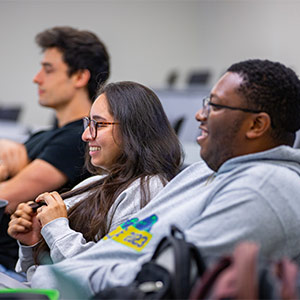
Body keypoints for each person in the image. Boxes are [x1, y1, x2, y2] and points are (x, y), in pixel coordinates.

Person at [13, 59, 300, 298]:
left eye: (215, 106)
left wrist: (53, 275)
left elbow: (158, 282)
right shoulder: (207, 170)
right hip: (51, 285)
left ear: (257, 124)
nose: (200, 115)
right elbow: (124, 248)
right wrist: (40, 267)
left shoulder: (266, 187)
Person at [7, 81, 182, 282]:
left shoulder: (148, 189)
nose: (86, 135)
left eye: (99, 124)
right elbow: (37, 276)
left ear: (134, 129)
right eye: (88, 123)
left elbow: (107, 274)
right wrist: (33, 243)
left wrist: (56, 228)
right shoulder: (95, 183)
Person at [0, 26, 110, 272]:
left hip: (13, 270)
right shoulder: (46, 135)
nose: (37, 78)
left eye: (48, 69)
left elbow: (5, 198)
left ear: (80, 77)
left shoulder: (76, 140)